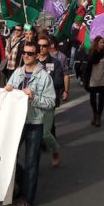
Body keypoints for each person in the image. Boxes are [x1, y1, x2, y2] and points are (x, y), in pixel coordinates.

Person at [5, 40, 56, 206]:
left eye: (30, 53)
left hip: (34, 123)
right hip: (17, 122)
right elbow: (7, 95)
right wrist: (8, 90)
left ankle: (27, 198)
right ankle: (21, 183)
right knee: (9, 157)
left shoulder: (44, 77)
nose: (26, 56)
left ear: (36, 56)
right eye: (24, 53)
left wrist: (34, 97)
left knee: (31, 161)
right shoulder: (17, 73)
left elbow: (51, 103)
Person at [37, 35, 66, 167]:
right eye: (39, 46)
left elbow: (59, 81)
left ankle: (54, 150)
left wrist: (43, 85)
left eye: (44, 46)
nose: (41, 48)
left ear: (48, 47)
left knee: (47, 130)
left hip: (49, 99)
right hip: (34, 100)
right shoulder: (32, 62)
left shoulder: (55, 63)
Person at [82, 36, 104, 127]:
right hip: (93, 79)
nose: (102, 44)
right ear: (96, 43)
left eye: (103, 42)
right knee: (92, 99)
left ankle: (98, 116)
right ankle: (94, 113)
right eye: (101, 42)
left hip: (103, 79)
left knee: (101, 99)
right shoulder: (91, 53)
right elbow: (87, 66)